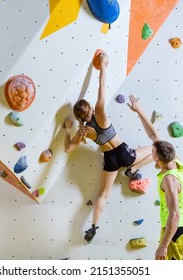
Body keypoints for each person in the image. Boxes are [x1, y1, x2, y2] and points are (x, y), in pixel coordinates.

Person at [63, 52, 153, 243]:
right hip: (124, 152)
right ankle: (133, 169)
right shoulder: (101, 112)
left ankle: (93, 228)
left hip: (110, 160)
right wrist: (103, 65)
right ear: (91, 109)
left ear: (79, 117)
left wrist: (67, 130)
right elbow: (102, 85)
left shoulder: (83, 131)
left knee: (103, 194)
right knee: (155, 149)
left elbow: (69, 149)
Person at [127, 94, 183, 260]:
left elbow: (174, 215)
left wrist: (163, 246)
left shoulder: (169, 179)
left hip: (175, 233)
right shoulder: (178, 163)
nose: (151, 152)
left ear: (157, 160)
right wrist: (139, 110)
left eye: (152, 153)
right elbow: (154, 136)